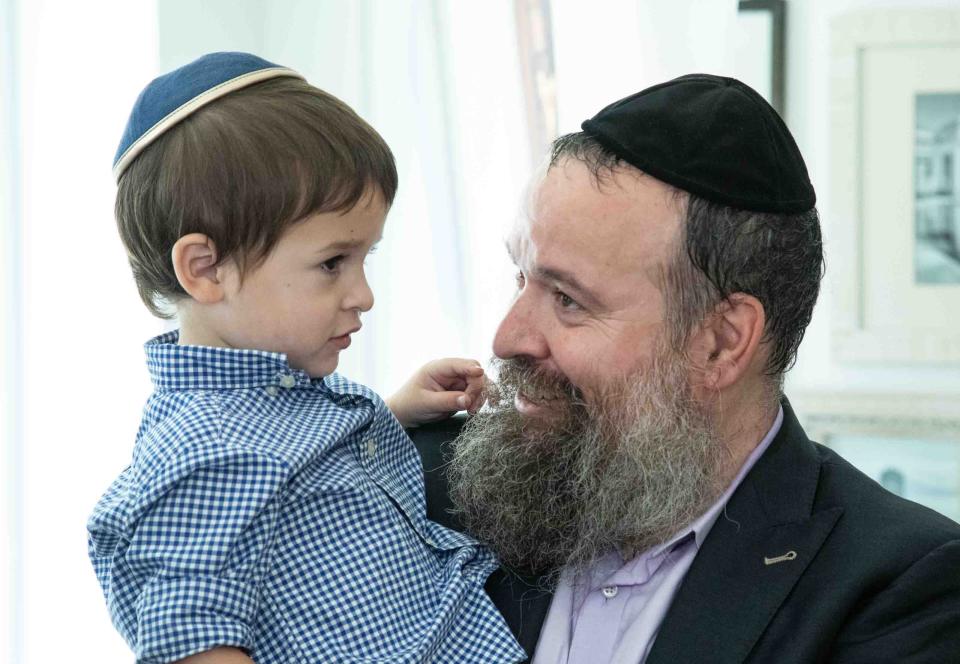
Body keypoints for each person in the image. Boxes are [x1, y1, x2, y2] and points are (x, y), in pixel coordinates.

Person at [412, 74, 960, 663]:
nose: (507, 337)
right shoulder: (424, 488)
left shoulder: (895, 589)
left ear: (721, 344)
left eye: (568, 300)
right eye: (521, 278)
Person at [86, 52, 526, 664]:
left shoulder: (269, 406)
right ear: (207, 271)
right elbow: (190, 638)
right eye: (332, 264)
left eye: (365, 258)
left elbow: (303, 470)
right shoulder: (203, 454)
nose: (364, 295)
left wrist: (396, 410)